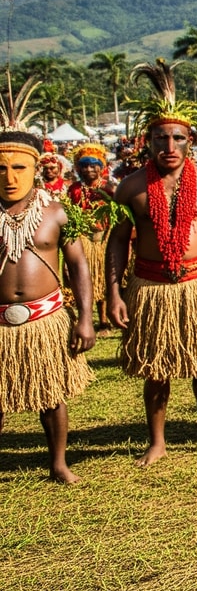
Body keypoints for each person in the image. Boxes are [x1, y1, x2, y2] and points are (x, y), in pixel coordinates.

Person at [106, 62, 197, 466]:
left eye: (178, 138)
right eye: (160, 138)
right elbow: (117, 241)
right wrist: (114, 292)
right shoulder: (130, 188)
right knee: (156, 367)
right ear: (147, 141)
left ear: (190, 141)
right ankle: (157, 441)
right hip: (150, 286)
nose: (169, 146)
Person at [0, 130, 96, 483]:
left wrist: (86, 318)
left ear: (36, 167)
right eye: (0, 168)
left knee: (51, 394)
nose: (9, 178)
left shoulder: (55, 213)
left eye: (18, 167)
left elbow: (78, 267)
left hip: (45, 319)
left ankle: (58, 463)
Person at [66, 143, 116, 327]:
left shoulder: (109, 188)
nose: (88, 169)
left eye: (93, 165)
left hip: (104, 238)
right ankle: (89, 318)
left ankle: (104, 319)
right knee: (88, 278)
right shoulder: (74, 190)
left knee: (103, 278)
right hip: (84, 239)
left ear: (101, 167)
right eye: (84, 166)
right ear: (78, 168)